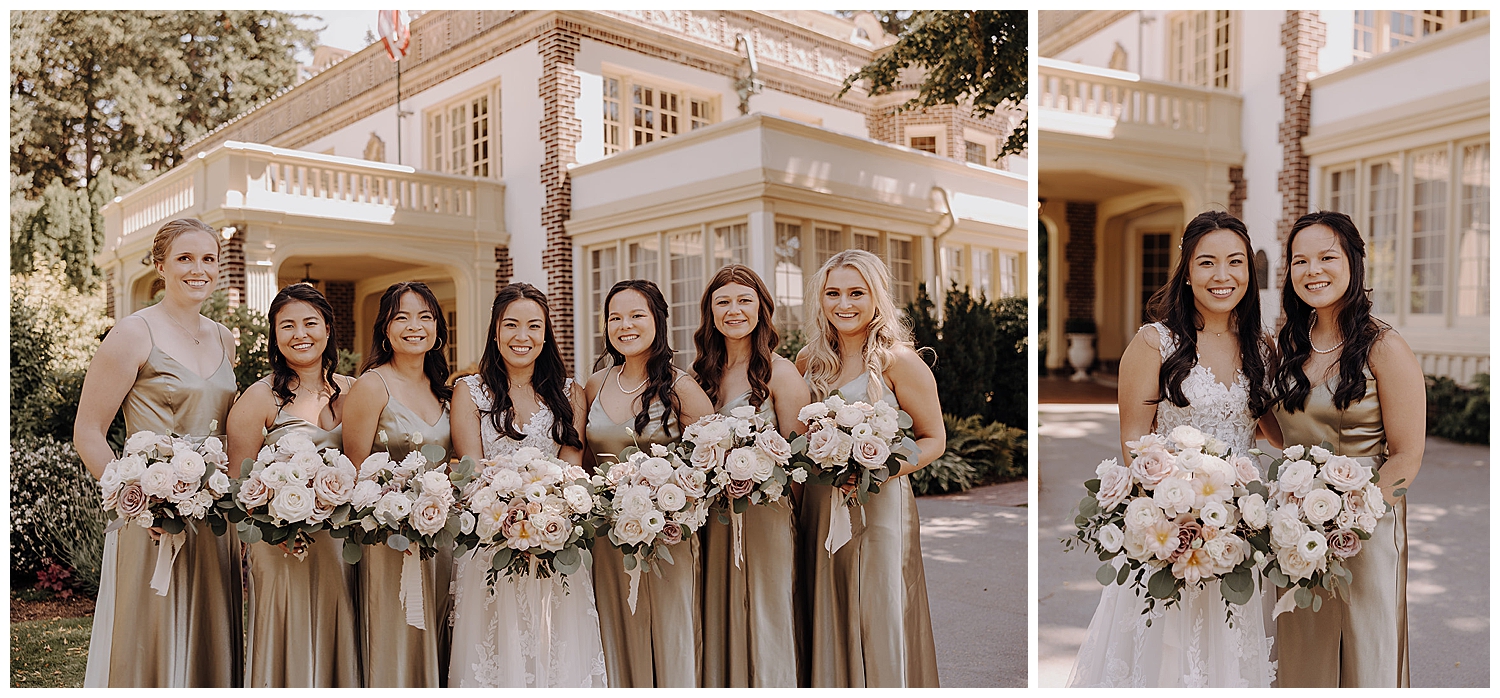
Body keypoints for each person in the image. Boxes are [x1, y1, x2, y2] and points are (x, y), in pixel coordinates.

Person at [1067, 211, 1278, 687]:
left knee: (1232, 657)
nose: (1222, 276)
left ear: (1249, 271)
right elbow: (1134, 449)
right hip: (1173, 529)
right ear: (1186, 270)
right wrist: (1181, 519)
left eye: (1235, 262)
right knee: (1167, 659)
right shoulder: (1154, 342)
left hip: (1241, 534)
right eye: (1207, 263)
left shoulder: (1262, 349)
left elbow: (1278, 432)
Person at [75, 218, 243, 686]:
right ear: (160, 265)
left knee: (210, 634)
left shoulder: (224, 337)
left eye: (208, 259)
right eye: (185, 258)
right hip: (153, 517)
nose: (199, 269)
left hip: (215, 516)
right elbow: (88, 431)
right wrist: (138, 501)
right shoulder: (133, 333)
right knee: (151, 632)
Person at [1270, 211, 1424, 687]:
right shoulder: (1290, 343)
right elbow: (1282, 434)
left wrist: (1349, 514)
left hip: (1367, 527)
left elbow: (1406, 455)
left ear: (1354, 262)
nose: (1312, 270)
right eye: (1300, 260)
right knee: (1301, 650)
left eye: (1326, 257)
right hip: (1294, 527)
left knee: (1364, 653)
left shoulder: (1385, 346)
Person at [447, 283, 608, 687]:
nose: (523, 337)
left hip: (555, 542)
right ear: (495, 331)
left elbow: (573, 474)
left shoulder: (570, 392)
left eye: (534, 326)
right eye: (512, 325)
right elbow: (473, 472)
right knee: (497, 654)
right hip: (491, 543)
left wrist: (547, 517)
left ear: (546, 332)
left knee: (557, 651)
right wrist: (510, 515)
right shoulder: (469, 392)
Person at [796, 249, 943, 688]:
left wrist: (880, 468)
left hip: (880, 505)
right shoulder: (808, 361)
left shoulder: (899, 360)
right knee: (827, 607)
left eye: (856, 292)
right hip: (821, 507)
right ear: (820, 300)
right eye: (833, 293)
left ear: (876, 297)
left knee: (879, 612)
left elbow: (934, 439)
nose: (844, 304)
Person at [226, 283, 361, 687]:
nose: (300, 334)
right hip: (281, 544)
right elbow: (239, 486)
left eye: (309, 323)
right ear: (275, 335)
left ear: (327, 328)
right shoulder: (259, 397)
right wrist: (274, 525)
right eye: (287, 326)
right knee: (289, 635)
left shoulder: (355, 391)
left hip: (344, 546)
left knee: (343, 630)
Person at [585, 279, 714, 687]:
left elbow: (708, 468)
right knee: (615, 629)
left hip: (667, 536)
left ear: (657, 320)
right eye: (615, 317)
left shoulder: (682, 387)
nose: (625, 325)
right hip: (607, 537)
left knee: (671, 632)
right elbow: (584, 463)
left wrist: (668, 503)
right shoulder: (593, 384)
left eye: (637, 315)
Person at [691, 265, 810, 688]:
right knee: (717, 610)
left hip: (767, 517)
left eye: (744, 300)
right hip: (711, 519)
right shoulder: (697, 376)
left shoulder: (781, 373)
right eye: (723, 302)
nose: (734, 310)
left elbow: (800, 462)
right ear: (710, 312)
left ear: (762, 307)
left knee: (767, 610)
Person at [341, 281, 454, 687]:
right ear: (385, 328)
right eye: (401, 316)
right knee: (395, 637)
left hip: (440, 538)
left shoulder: (445, 389)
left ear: (438, 329)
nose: (414, 326)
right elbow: (353, 471)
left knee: (442, 631)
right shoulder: (372, 386)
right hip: (388, 540)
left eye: (425, 316)